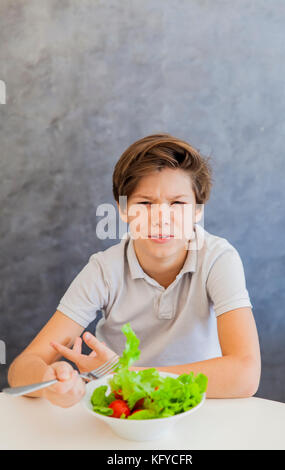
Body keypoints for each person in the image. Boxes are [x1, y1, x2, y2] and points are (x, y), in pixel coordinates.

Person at [7, 133, 261, 408]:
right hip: (124, 412)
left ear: (198, 210)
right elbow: (21, 370)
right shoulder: (104, 270)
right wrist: (50, 381)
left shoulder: (218, 259)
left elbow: (245, 374)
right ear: (123, 210)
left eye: (177, 203)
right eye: (144, 204)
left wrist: (122, 375)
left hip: (201, 407)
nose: (161, 218)